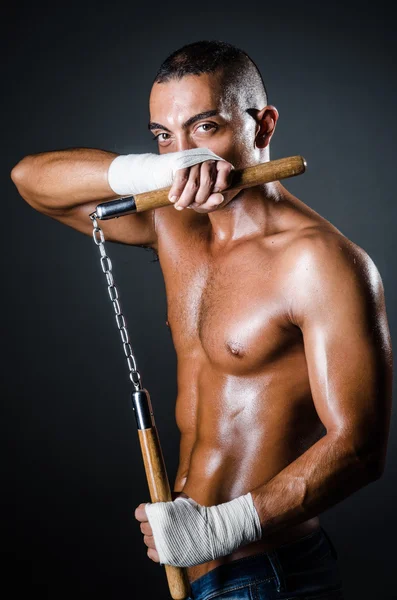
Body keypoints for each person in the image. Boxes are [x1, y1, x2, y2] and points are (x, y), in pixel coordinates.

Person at [11, 40, 392, 600]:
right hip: (193, 573)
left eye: (205, 127)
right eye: (164, 136)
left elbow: (359, 449)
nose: (183, 154)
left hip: (269, 572)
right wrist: (153, 169)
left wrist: (217, 529)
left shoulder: (321, 262)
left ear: (262, 127)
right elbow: (30, 180)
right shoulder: (175, 225)